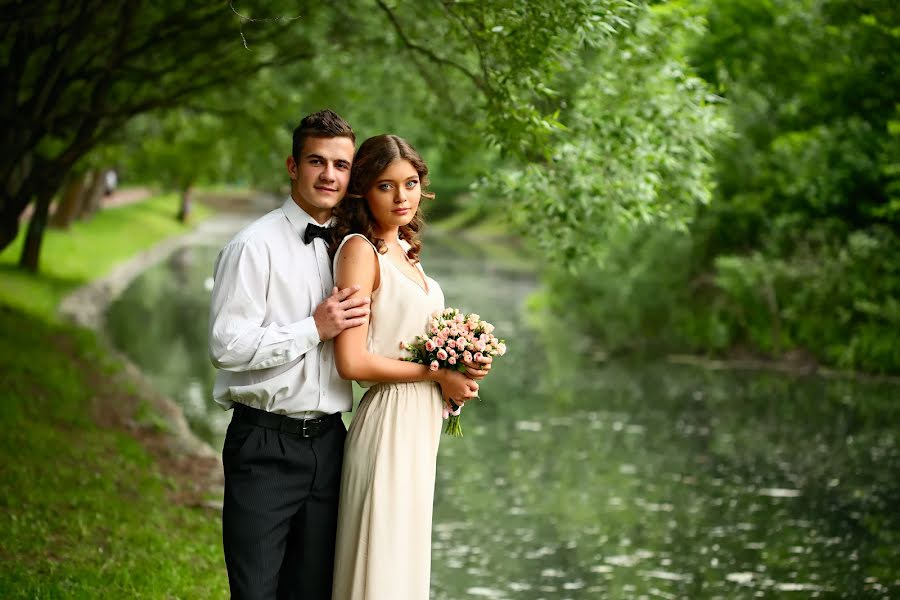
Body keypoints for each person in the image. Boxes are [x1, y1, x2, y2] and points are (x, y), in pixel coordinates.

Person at [208, 109, 371, 600]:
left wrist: (442, 372)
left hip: (331, 445)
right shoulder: (253, 247)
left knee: (316, 590)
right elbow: (226, 347)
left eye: (341, 165)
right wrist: (312, 329)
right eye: (316, 161)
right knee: (256, 590)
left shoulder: (356, 247)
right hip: (265, 444)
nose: (329, 175)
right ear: (292, 165)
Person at [328, 134, 491, 600]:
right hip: (387, 427)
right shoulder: (361, 251)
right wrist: (435, 374)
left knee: (404, 566)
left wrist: (456, 380)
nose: (402, 197)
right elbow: (352, 361)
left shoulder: (408, 253)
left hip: (420, 428)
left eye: (411, 183)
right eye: (386, 186)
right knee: (381, 565)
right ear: (363, 191)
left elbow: (415, 347)